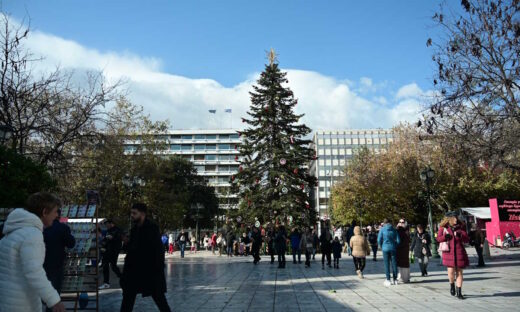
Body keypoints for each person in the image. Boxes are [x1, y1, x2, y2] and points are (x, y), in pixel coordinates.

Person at [0, 192, 66, 312]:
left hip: (8, 300)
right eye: (55, 211)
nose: (57, 216)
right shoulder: (32, 234)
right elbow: (34, 272)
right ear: (45, 212)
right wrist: (54, 300)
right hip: (22, 303)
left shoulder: (14, 231)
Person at [120, 203, 171, 312]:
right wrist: (126, 243)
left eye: (134, 213)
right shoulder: (134, 229)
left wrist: (157, 269)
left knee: (160, 300)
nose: (132, 215)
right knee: (127, 300)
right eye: (131, 213)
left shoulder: (152, 228)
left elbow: (157, 250)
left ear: (142, 214)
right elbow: (132, 249)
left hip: (149, 271)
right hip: (134, 272)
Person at [43, 208, 76, 312]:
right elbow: (71, 244)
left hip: (40, 263)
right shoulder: (62, 228)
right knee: (54, 291)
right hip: (56, 264)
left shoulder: (41, 227)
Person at [437, 211, 469, 300]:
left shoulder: (461, 226)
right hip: (448, 253)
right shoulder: (443, 227)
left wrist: (461, 235)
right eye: (454, 218)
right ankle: (452, 285)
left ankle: (459, 292)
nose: (456, 219)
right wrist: (445, 237)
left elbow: (467, 239)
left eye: (456, 217)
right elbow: (438, 239)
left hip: (459, 252)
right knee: (451, 272)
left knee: (459, 272)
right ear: (449, 219)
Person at [99, 219, 123, 290]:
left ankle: (123, 278)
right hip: (108, 251)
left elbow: (111, 238)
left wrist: (107, 239)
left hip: (113, 251)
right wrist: (103, 246)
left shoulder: (117, 230)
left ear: (111, 223)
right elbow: (106, 240)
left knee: (113, 266)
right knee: (106, 265)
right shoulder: (109, 230)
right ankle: (106, 283)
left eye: (107, 224)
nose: (106, 226)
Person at [378, 218, 400, 286]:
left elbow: (379, 240)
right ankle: (395, 279)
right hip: (393, 248)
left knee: (386, 264)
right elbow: (398, 241)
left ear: (384, 223)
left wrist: (382, 246)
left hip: (385, 248)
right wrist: (395, 245)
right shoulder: (394, 230)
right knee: (394, 264)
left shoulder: (382, 230)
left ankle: (388, 279)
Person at [396, 219, 410, 283]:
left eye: (403, 222)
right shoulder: (398, 230)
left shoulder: (407, 230)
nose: (401, 223)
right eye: (400, 222)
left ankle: (405, 278)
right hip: (399, 249)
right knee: (400, 263)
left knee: (404, 263)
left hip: (404, 249)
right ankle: (401, 277)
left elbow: (407, 239)